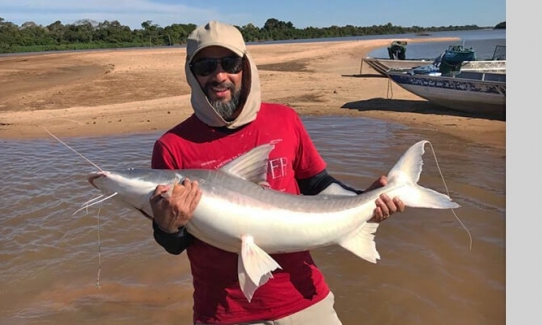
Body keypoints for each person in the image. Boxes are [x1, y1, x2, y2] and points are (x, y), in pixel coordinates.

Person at [148, 20, 405, 325]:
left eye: (230, 63)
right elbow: (176, 245)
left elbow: (317, 183)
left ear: (246, 66)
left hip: (304, 300)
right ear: (192, 74)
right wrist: (167, 228)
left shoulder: (284, 120)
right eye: (205, 67)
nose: (220, 76)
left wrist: (363, 202)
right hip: (225, 312)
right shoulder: (172, 147)